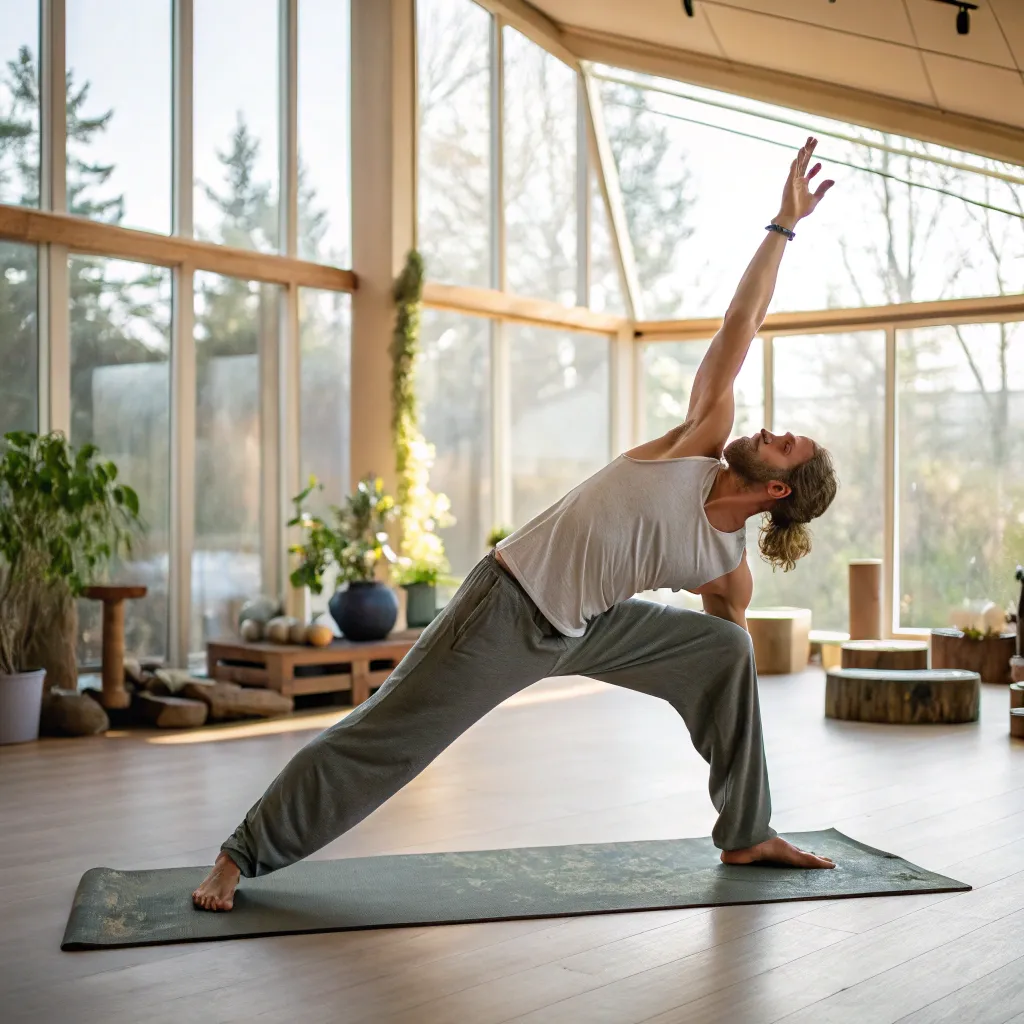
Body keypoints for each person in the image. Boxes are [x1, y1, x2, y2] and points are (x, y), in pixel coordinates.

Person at [193, 137, 839, 912]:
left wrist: (712, 688)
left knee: (728, 646)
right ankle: (242, 853)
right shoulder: (698, 439)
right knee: (388, 737)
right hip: (507, 605)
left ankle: (747, 829)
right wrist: (782, 226)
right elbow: (743, 319)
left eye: (783, 444)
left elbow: (718, 673)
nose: (769, 428)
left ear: (776, 489)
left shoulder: (726, 565)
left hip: (586, 626)